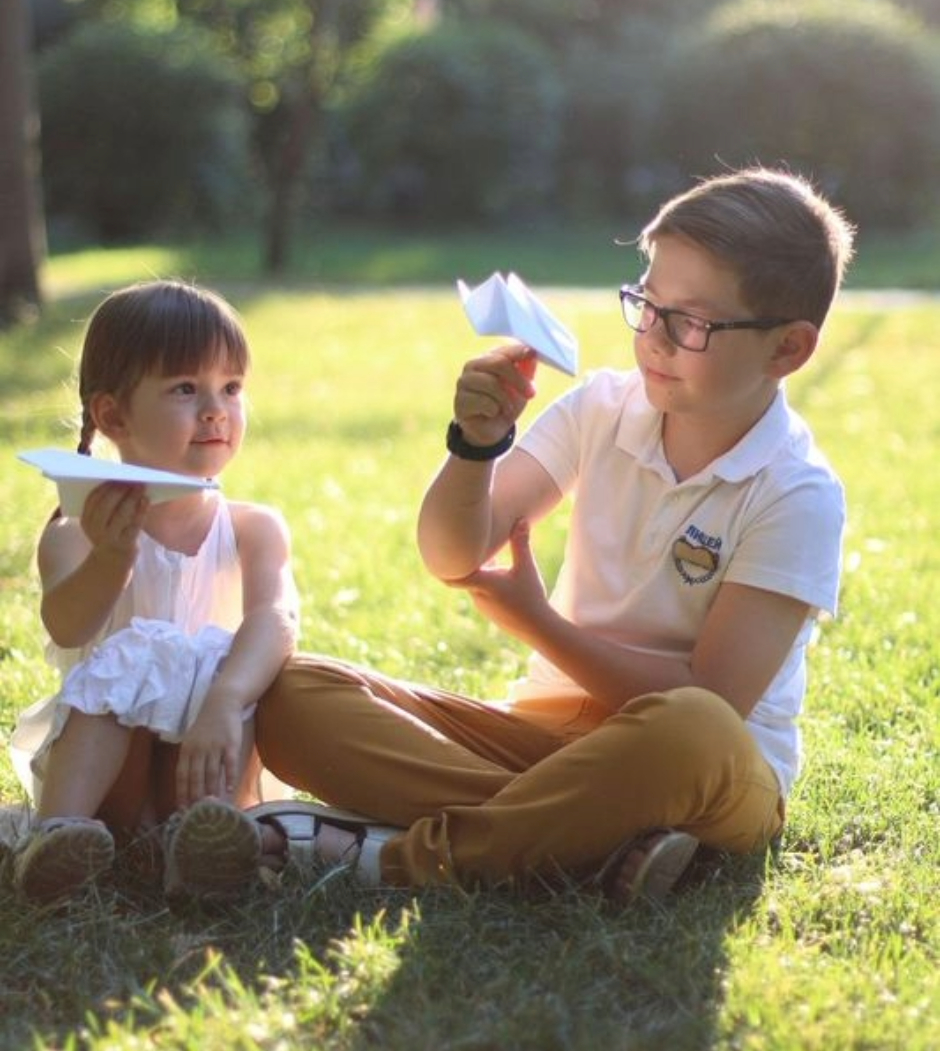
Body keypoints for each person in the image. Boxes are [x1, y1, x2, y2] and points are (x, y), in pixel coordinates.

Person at [251, 166, 854, 903]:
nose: (653, 339)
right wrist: (476, 445)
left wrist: (539, 624)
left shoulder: (797, 490)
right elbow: (453, 553)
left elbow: (715, 698)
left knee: (690, 726)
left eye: (689, 323)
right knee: (292, 694)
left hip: (706, 770)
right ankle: (595, 838)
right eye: (646, 303)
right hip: (544, 740)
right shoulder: (600, 407)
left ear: (788, 349)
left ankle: (403, 860)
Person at [10, 280, 299, 903]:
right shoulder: (75, 535)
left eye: (231, 388)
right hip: (105, 776)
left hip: (206, 759)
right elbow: (68, 628)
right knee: (137, 653)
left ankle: (203, 848)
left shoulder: (253, 528)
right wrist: (114, 557)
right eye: (185, 389)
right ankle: (58, 837)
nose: (216, 409)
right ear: (113, 416)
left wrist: (225, 699)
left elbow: (276, 618)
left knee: (233, 666)